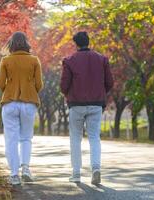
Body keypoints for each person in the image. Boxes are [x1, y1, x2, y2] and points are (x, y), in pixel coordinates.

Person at [60, 31, 114, 185]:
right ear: (88, 42)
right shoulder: (102, 59)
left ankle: (76, 173)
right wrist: (100, 92)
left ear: (75, 43)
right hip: (96, 104)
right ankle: (96, 169)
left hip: (76, 104)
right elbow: (110, 82)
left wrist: (69, 93)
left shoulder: (69, 60)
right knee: (94, 137)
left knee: (75, 138)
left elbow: (64, 85)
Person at [0, 31, 43, 185]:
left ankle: (14, 174)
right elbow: (39, 85)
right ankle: (26, 169)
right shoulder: (34, 60)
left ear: (11, 44)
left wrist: (9, 91)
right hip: (29, 102)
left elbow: (0, 84)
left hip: (9, 102)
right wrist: (30, 91)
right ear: (26, 43)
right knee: (26, 138)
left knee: (11, 139)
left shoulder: (5, 60)